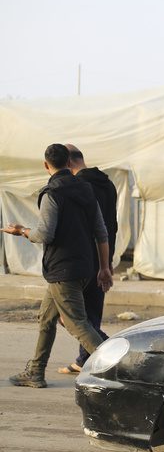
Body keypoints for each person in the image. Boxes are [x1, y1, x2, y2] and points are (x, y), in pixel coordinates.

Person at [3, 144, 112, 388]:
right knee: (46, 317)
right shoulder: (86, 189)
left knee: (77, 323)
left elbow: (44, 234)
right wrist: (104, 267)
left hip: (62, 270)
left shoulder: (52, 193)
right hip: (84, 266)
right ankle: (35, 372)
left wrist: (21, 230)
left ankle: (119, 366)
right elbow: (101, 232)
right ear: (69, 162)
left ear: (45, 165)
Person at [61, 144, 118, 374]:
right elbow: (110, 225)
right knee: (90, 311)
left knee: (72, 314)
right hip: (103, 253)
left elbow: (88, 226)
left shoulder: (81, 186)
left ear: (67, 163)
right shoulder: (107, 183)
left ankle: (112, 351)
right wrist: (108, 259)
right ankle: (84, 358)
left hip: (84, 256)